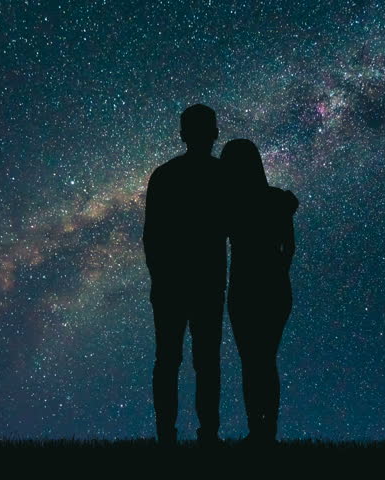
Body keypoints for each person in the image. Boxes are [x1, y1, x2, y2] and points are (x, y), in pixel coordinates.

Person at [142, 104, 227, 445]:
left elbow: (152, 237)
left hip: (172, 283)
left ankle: (169, 436)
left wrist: (160, 277)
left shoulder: (165, 175)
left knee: (169, 361)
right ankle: (206, 435)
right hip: (204, 282)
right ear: (214, 133)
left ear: (183, 134)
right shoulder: (222, 175)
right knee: (204, 361)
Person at [220, 139, 298, 445]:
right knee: (263, 359)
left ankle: (260, 431)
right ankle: (266, 431)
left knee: (253, 361)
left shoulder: (230, 203)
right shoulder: (276, 200)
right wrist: (279, 269)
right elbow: (289, 247)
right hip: (274, 285)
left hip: (246, 286)